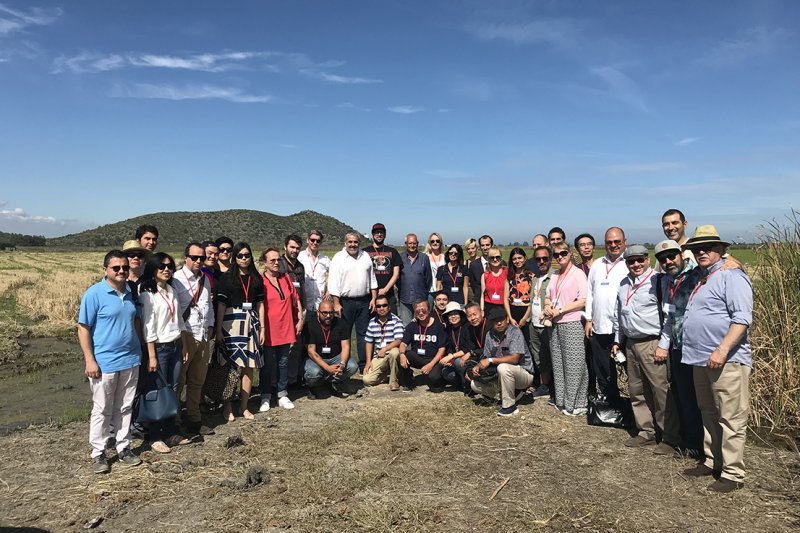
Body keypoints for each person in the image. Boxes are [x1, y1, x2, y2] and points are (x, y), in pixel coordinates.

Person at [680, 226, 753, 493]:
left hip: (726, 360)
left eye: (709, 246)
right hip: (701, 359)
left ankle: (733, 473)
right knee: (708, 412)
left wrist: (722, 350)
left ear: (721, 249)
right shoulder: (702, 277)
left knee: (731, 416)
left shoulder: (732, 276)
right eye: (697, 248)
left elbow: (742, 318)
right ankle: (713, 460)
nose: (702, 251)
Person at [78, 250, 143, 473]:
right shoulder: (94, 294)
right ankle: (98, 452)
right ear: (105, 269)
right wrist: (90, 360)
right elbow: (83, 328)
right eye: (116, 268)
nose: (121, 271)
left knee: (125, 407)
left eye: (124, 267)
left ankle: (124, 447)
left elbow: (135, 321)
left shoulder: (130, 291)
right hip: (104, 362)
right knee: (102, 408)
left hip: (131, 359)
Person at [610, 245, 679, 453]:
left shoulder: (659, 281)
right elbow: (619, 315)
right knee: (636, 390)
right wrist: (617, 341)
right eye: (631, 261)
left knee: (660, 391)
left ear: (648, 260)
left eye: (640, 260)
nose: (636, 264)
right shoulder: (624, 284)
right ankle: (646, 432)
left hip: (653, 343)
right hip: (631, 343)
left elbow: (669, 316)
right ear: (626, 263)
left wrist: (663, 346)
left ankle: (669, 437)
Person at [654, 239, 703, 459]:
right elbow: (669, 316)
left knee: (704, 400)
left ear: (682, 255)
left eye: (672, 256)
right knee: (685, 397)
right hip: (678, 348)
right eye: (663, 259)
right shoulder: (667, 281)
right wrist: (663, 345)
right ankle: (692, 443)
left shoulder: (699, 275)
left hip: (699, 348)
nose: (668, 261)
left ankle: (709, 448)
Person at [138, 252, 192, 454]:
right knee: (158, 392)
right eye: (161, 266)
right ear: (153, 269)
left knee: (173, 389)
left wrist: (184, 345)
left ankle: (170, 433)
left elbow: (180, 320)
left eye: (170, 266)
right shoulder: (147, 294)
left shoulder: (171, 290)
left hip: (175, 345)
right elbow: (148, 327)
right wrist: (151, 356)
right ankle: (155, 436)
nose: (166, 269)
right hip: (159, 348)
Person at [215, 242, 265, 421]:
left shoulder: (256, 278)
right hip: (231, 323)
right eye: (240, 255)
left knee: (249, 366)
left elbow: (260, 304)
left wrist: (263, 328)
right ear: (235, 258)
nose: (244, 258)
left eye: (247, 255)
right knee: (230, 367)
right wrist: (219, 329)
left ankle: (244, 406)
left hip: (252, 323)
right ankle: (227, 406)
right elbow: (221, 305)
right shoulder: (227, 279)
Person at [173, 242, 215, 436]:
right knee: (179, 381)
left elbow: (209, 306)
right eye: (195, 257)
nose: (199, 261)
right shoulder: (176, 279)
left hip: (204, 334)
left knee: (197, 381)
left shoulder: (205, 279)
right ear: (186, 258)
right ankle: (174, 421)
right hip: (186, 335)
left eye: (202, 258)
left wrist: (211, 326)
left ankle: (194, 419)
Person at [584, 227, 628, 405]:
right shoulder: (597, 264)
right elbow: (590, 294)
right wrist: (588, 319)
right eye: (609, 242)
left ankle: (633, 405)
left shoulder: (630, 263)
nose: (613, 245)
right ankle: (609, 402)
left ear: (625, 241)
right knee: (602, 366)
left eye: (617, 241)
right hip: (600, 324)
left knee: (627, 367)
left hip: (623, 327)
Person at [544, 241, 588, 416]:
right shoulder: (554, 274)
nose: (560, 257)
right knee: (559, 363)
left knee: (575, 364)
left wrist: (560, 310)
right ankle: (562, 400)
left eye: (563, 253)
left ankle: (577, 403)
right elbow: (548, 296)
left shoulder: (578, 274)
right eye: (556, 255)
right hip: (554, 324)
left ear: (570, 253)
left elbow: (583, 300)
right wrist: (548, 307)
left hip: (572, 322)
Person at [469, 307, 535, 416]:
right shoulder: (489, 335)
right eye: (495, 321)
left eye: (501, 319)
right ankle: (514, 395)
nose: (499, 323)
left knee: (503, 367)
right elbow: (486, 357)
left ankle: (509, 406)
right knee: (474, 384)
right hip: (502, 375)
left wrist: (490, 360)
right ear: (491, 322)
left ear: (507, 319)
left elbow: (514, 359)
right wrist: (478, 367)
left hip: (523, 374)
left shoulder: (515, 332)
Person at [259, 248, 303, 412]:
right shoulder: (261, 281)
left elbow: (295, 298)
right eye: (272, 260)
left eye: (278, 260)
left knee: (284, 362)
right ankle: (265, 395)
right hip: (269, 329)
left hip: (286, 327)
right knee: (267, 363)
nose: (277, 263)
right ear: (265, 263)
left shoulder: (285, 278)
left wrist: (300, 318)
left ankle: (282, 394)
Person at [328, 231, 378, 372]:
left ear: (359, 243)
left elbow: (372, 279)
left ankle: (363, 366)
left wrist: (374, 298)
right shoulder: (338, 258)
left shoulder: (365, 256)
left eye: (355, 242)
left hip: (364, 301)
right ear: (345, 243)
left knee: (363, 334)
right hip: (345, 302)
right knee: (344, 334)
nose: (353, 244)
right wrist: (336, 303)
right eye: (350, 242)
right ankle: (344, 366)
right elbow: (333, 282)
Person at [303, 300, 358, 397]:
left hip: (335, 357)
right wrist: (328, 368)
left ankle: (333, 381)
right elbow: (311, 352)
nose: (328, 316)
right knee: (314, 372)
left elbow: (346, 346)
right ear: (318, 312)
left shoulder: (341, 323)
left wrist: (342, 364)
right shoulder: (310, 325)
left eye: (330, 313)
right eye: (324, 313)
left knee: (352, 366)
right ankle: (313, 385)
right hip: (316, 358)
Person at [398, 299, 447, 392]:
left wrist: (431, 364)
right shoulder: (412, 325)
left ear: (429, 310)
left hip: (433, 359)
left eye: (423, 310)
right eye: (417, 311)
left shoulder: (438, 326)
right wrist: (401, 354)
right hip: (418, 357)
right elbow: (403, 343)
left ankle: (438, 379)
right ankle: (408, 382)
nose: (420, 313)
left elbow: (442, 349)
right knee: (401, 356)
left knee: (434, 379)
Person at [278, 234, 306, 386]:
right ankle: (276, 382)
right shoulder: (280, 264)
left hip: (297, 311)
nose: (295, 250)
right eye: (292, 247)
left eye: (297, 248)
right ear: (285, 247)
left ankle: (292, 380)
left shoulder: (300, 266)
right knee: (282, 350)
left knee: (296, 347)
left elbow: (301, 289)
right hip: (282, 312)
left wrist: (302, 312)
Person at [362, 294, 404, 389]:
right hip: (379, 356)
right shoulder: (372, 322)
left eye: (384, 305)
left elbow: (399, 340)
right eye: (378, 306)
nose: (382, 308)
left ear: (389, 307)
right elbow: (369, 342)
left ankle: (393, 381)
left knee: (394, 352)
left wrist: (385, 348)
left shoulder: (396, 321)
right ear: (375, 308)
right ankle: (386, 374)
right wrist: (368, 362)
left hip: (392, 354)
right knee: (367, 380)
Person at [528, 245, 554, 399]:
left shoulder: (555, 277)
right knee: (539, 357)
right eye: (538, 259)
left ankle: (556, 387)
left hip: (548, 324)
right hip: (534, 323)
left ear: (550, 259)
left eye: (545, 258)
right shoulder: (535, 278)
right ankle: (544, 385)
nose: (542, 261)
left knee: (553, 356)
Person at [364, 223, 402, 314]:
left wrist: (385, 290)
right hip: (370, 295)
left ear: (385, 235)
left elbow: (396, 274)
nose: (379, 234)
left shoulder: (393, 251)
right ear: (373, 234)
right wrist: (373, 291)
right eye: (377, 232)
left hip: (388, 295)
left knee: (391, 321)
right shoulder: (364, 252)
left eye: (381, 232)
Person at [440, 302, 476, 394]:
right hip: (456, 358)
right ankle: (463, 382)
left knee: (458, 362)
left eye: (455, 313)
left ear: (460, 315)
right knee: (445, 372)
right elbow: (450, 347)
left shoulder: (467, 327)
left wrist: (452, 356)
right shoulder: (449, 329)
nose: (453, 317)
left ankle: (467, 387)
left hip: (469, 357)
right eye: (450, 315)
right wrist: (449, 358)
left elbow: (470, 347)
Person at [398, 233, 431, 325]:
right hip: (405, 299)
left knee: (422, 325)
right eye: (410, 243)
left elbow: (428, 278)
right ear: (406, 244)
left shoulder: (424, 258)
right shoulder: (400, 258)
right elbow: (397, 278)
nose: (412, 245)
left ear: (417, 243)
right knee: (406, 326)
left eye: (414, 243)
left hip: (420, 299)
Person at [503, 247, 533, 344]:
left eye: (520, 258)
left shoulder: (531, 276)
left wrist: (525, 318)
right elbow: (505, 298)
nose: (517, 261)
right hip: (513, 312)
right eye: (514, 259)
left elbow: (533, 299)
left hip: (527, 312)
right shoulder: (509, 276)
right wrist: (510, 317)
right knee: (514, 342)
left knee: (528, 342)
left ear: (525, 258)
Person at [297, 230, 331, 313]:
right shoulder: (299, 256)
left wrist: (330, 290)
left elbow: (335, 274)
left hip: (319, 302)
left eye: (318, 241)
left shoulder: (325, 259)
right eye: (312, 240)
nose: (315, 243)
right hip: (304, 302)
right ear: (307, 240)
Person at [480, 246, 507, 316]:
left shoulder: (507, 273)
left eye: (497, 257)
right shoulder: (485, 275)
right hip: (489, 309)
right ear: (488, 259)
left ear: (501, 258)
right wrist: (482, 310)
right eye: (492, 257)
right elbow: (482, 296)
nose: (495, 260)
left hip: (504, 308)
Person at [466, 234, 493, 301]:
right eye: (482, 245)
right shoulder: (473, 265)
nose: (485, 247)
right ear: (480, 247)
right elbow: (473, 285)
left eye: (487, 245)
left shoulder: (500, 263)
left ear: (492, 245)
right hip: (479, 300)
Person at [425, 232, 446, 304]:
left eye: (437, 241)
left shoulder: (445, 257)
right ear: (429, 243)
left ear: (440, 242)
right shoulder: (425, 257)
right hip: (429, 291)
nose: (435, 243)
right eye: (432, 241)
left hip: (443, 291)